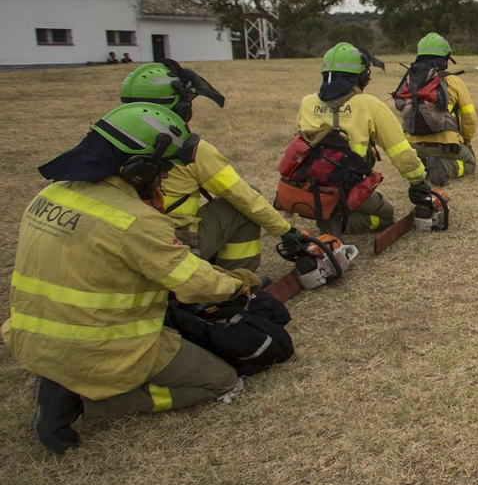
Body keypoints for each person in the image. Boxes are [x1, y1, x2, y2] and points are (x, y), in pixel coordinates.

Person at [5, 103, 252, 453]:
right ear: (139, 168)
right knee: (221, 381)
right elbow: (197, 285)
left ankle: (62, 381)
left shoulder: (47, 196)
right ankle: (84, 401)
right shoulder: (133, 220)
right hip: (105, 345)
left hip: (32, 338)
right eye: (163, 169)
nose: (164, 177)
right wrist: (238, 284)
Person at [119, 61, 293, 271]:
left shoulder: (106, 141)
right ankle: (238, 279)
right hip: (173, 244)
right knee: (241, 205)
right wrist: (287, 232)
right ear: (181, 108)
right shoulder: (190, 150)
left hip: (119, 241)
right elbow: (243, 197)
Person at [289, 43, 430, 233]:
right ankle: (341, 222)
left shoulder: (307, 102)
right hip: (346, 188)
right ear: (362, 77)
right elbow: (400, 152)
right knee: (385, 215)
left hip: (308, 188)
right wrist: (418, 181)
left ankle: (330, 214)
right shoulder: (370, 105)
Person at [394, 32, 478, 181]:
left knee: (420, 158)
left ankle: (423, 165)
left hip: (412, 145)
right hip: (444, 145)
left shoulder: (408, 80)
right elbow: (469, 118)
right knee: (470, 163)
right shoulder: (454, 81)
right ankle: (444, 167)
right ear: (445, 58)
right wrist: (466, 142)